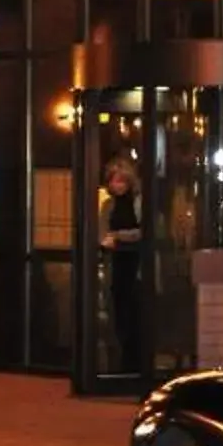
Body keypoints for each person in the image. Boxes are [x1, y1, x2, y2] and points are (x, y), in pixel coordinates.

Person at [98, 154, 143, 373]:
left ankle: (135, 360)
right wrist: (107, 239)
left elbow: (144, 232)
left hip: (136, 264)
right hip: (116, 264)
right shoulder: (108, 205)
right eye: (114, 181)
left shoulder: (138, 202)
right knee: (118, 312)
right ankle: (122, 361)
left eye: (122, 181)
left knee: (136, 311)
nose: (118, 185)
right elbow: (101, 231)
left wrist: (118, 236)